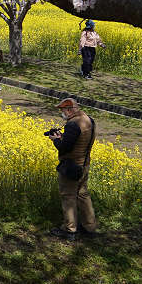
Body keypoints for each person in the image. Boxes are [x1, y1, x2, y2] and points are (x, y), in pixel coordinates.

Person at [47, 98, 98, 241]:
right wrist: (64, 137)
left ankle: (70, 230)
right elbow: (79, 140)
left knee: (68, 196)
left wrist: (56, 140)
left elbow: (65, 148)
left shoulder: (73, 124)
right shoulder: (89, 120)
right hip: (84, 164)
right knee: (83, 194)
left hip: (72, 166)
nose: (61, 113)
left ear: (69, 110)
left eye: (62, 110)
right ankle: (89, 226)